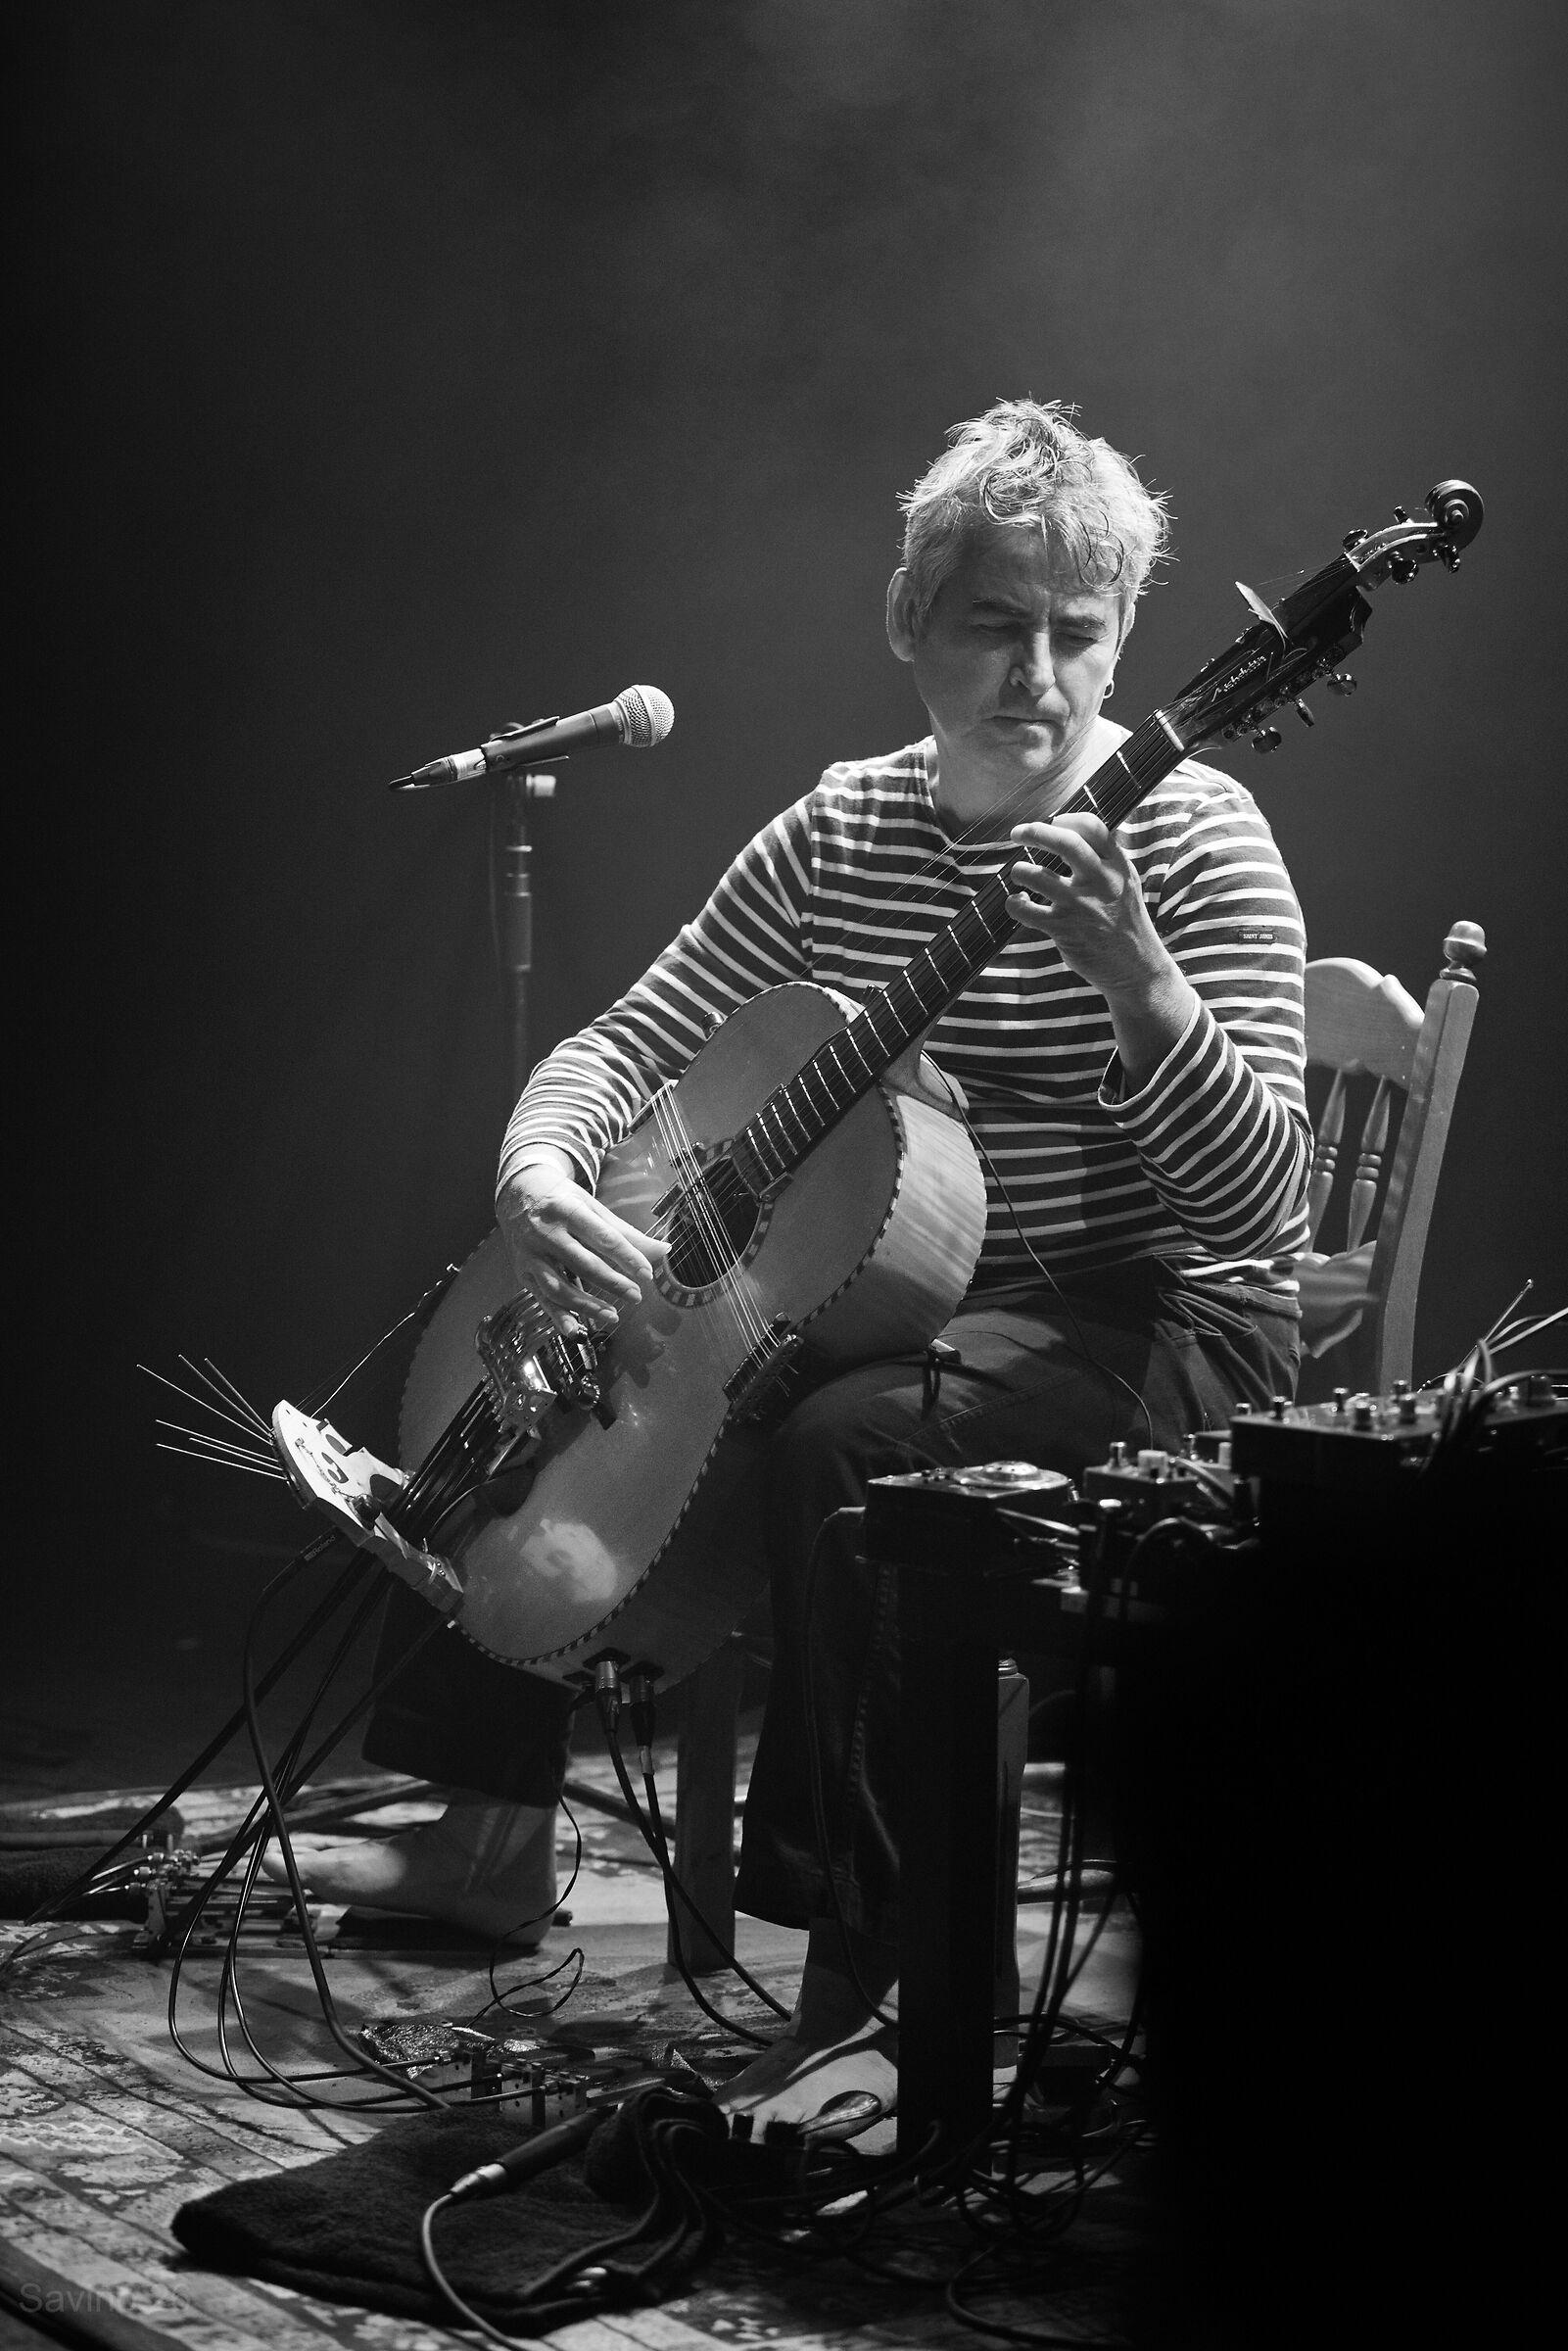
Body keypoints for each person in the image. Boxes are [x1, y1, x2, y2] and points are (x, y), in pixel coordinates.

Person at [275, 399, 1309, 2127]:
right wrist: (541, 1170)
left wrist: (1147, 998)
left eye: (1079, 634)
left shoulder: (1192, 842)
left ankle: (859, 1992)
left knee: (846, 1448)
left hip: (1152, 1317)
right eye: (995, 625)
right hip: (916, 1307)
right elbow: (625, 1040)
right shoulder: (838, 831)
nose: (1037, 676)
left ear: (1125, 641)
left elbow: (1263, 1213)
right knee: (592, 1343)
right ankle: (489, 1833)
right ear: (912, 627)